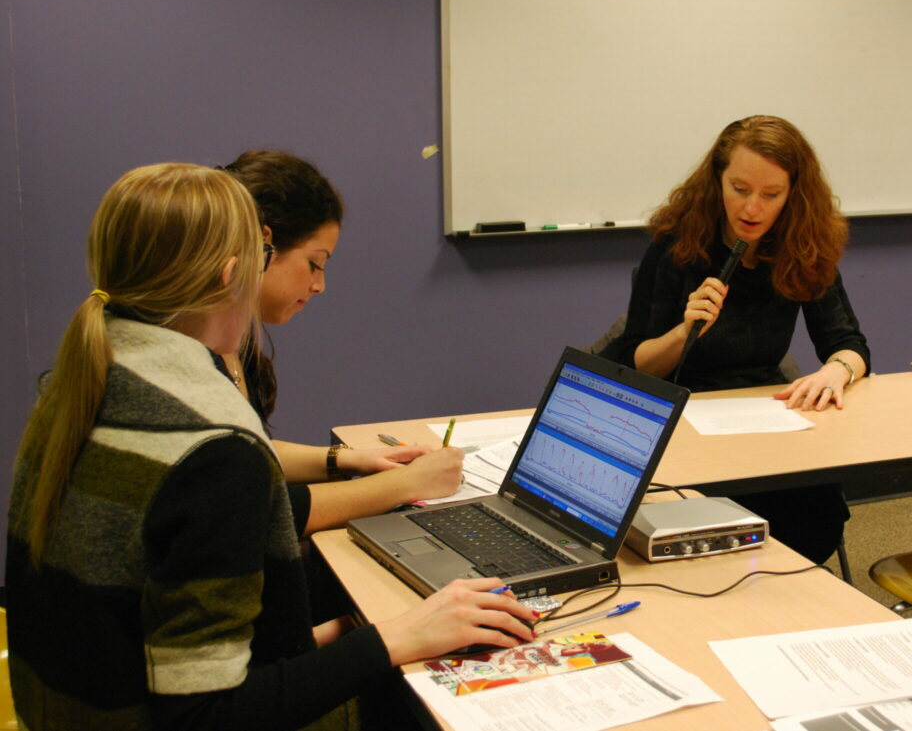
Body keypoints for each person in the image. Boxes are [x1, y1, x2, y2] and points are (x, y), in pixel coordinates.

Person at [6, 163, 536, 731]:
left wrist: (353, 633)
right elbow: (205, 717)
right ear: (234, 274)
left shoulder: (79, 385)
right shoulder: (213, 453)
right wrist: (396, 638)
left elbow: (148, 622)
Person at [613, 115, 870, 565]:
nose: (752, 208)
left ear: (793, 195)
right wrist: (683, 330)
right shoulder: (678, 244)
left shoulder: (804, 245)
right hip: (686, 422)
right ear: (717, 182)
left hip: (766, 422)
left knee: (817, 513)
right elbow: (636, 362)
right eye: (740, 189)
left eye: (771, 195)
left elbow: (849, 343)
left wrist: (836, 369)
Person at [220, 150, 461, 538]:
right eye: (314, 263)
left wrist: (352, 459)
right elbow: (262, 513)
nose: (319, 285)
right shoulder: (197, 361)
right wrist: (406, 485)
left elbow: (253, 454)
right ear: (260, 244)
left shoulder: (234, 339)